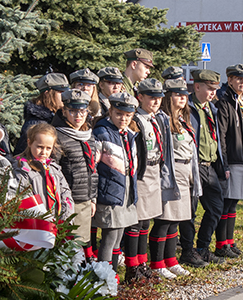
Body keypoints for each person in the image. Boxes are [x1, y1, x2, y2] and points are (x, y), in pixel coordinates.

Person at [125, 79, 175, 282]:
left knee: (146, 221)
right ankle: (132, 266)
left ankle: (142, 263)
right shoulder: (136, 119)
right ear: (140, 97)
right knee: (137, 222)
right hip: (142, 173)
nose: (155, 101)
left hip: (155, 170)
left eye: (158, 97)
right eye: (151, 97)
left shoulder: (157, 119)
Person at [180, 69, 227, 267]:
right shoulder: (187, 108)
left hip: (209, 167)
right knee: (189, 212)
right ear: (197, 86)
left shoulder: (211, 109)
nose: (213, 93)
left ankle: (202, 248)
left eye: (215, 89)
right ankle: (188, 251)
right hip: (193, 166)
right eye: (209, 88)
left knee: (216, 207)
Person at [154, 78, 200, 277]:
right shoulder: (162, 119)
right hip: (170, 174)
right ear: (168, 97)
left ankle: (170, 260)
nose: (183, 97)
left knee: (176, 221)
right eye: (177, 94)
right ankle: (157, 264)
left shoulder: (182, 118)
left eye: (184, 94)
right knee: (164, 220)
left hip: (184, 173)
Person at [92, 92, 141, 271]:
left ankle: (112, 275)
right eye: (119, 114)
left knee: (118, 236)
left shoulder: (127, 133)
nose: (123, 118)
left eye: (128, 115)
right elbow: (93, 165)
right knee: (109, 237)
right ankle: (103, 278)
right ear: (111, 111)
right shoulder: (102, 132)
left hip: (125, 189)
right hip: (109, 191)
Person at [214, 64, 243, 257]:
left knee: (234, 203)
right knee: (226, 203)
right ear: (229, 80)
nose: (242, 82)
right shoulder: (225, 101)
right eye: (238, 78)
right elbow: (221, 135)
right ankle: (221, 244)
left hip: (242, 159)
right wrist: (224, 163)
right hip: (230, 159)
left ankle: (230, 242)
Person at [51, 89, 97, 257]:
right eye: (73, 111)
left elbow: (93, 169)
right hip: (68, 199)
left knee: (83, 240)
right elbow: (53, 170)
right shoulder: (57, 135)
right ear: (64, 111)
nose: (78, 116)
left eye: (82, 111)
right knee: (69, 242)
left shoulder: (88, 135)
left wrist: (93, 197)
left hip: (85, 197)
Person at [15, 123, 74, 220]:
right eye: (40, 147)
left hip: (57, 223)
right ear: (29, 143)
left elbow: (65, 193)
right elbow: (25, 197)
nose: (43, 152)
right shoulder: (22, 169)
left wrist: (66, 219)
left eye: (48, 148)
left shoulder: (54, 169)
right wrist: (45, 222)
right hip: (36, 224)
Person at [15, 73, 69, 155]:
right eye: (61, 92)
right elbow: (21, 156)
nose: (65, 96)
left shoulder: (59, 118)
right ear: (47, 94)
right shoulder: (35, 123)